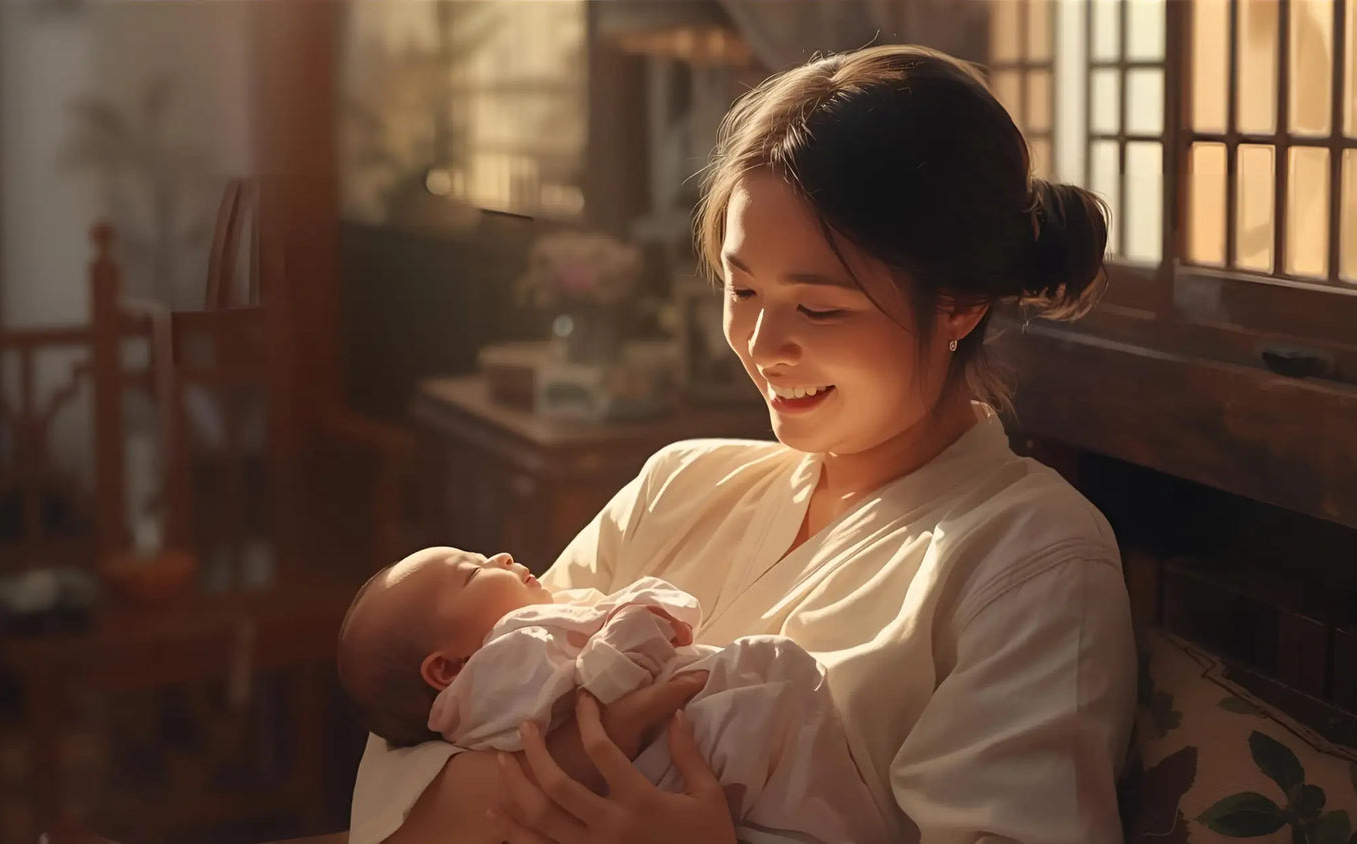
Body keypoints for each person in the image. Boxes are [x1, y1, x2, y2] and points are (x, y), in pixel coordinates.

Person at [349, 43, 1136, 844]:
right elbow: (415, 747)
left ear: (960, 303)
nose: (762, 344)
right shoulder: (677, 484)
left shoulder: (1032, 556)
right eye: (743, 289)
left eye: (820, 308)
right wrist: (577, 760)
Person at [338, 547, 884, 843]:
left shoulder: (488, 677)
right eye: (473, 572)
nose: (501, 556)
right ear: (446, 668)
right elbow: (596, 686)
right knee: (770, 697)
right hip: (667, 762)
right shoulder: (507, 657)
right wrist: (636, 620)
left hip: (662, 780)